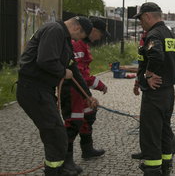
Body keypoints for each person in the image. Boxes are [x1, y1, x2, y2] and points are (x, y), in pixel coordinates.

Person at [16, 16, 99, 176]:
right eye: (80, 36)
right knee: (55, 134)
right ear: (76, 28)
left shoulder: (64, 38)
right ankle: (54, 171)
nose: (78, 40)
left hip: (42, 90)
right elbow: (45, 60)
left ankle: (58, 169)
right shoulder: (55, 31)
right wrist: (62, 72)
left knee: (56, 133)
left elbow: (73, 70)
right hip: (33, 89)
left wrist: (87, 96)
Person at [132, 2, 175, 175]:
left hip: (155, 93)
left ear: (148, 16)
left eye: (141, 19)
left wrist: (149, 74)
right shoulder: (171, 34)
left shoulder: (154, 34)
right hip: (168, 92)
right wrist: (169, 71)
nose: (140, 23)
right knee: (164, 129)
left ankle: (152, 169)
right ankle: (166, 166)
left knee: (150, 132)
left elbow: (156, 55)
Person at [60, 17, 111, 174]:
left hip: (80, 91)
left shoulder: (83, 44)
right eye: (100, 34)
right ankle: (65, 161)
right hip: (72, 91)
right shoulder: (77, 44)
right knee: (73, 122)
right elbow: (79, 74)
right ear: (93, 31)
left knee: (89, 115)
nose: (100, 38)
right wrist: (98, 85)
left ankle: (87, 148)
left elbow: (82, 73)